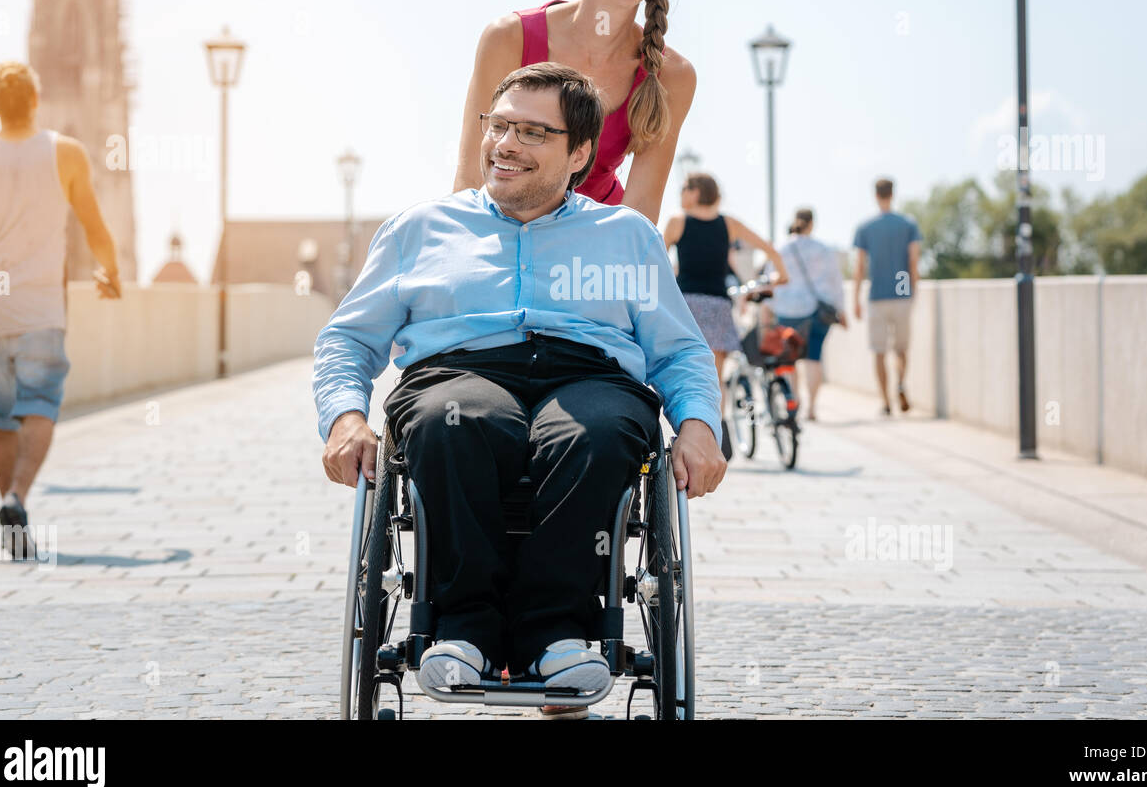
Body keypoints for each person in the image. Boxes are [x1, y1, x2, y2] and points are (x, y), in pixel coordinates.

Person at [314, 63, 724, 710]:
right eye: (499, 125)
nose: (505, 143)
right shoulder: (419, 230)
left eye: (533, 131)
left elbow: (679, 351)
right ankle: (464, 628)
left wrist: (699, 426)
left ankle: (557, 632)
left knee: (595, 430)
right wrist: (345, 417)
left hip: (590, 375)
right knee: (458, 418)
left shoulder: (625, 237)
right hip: (459, 371)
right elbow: (348, 338)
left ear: (580, 152)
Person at [0, 62, 122, 558]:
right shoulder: (65, 152)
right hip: (42, 307)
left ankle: (12, 520)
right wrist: (110, 273)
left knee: (0, 412)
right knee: (41, 403)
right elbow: (94, 225)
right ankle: (16, 496)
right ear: (35, 100)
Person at [452, 0, 696, 226]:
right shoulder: (508, 38)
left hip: (593, 245)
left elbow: (639, 211)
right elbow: (470, 181)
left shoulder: (673, 75)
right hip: (504, 232)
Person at [663, 171, 788, 455]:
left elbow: (654, 260)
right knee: (715, 379)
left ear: (695, 192)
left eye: (683, 188)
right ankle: (716, 432)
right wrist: (782, 274)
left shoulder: (677, 222)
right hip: (719, 306)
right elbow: (770, 249)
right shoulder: (728, 224)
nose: (680, 194)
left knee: (685, 372)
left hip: (687, 307)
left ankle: (688, 432)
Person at [768, 208, 847, 422]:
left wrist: (769, 307)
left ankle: (794, 399)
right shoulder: (822, 249)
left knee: (791, 359)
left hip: (786, 311)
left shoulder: (782, 249)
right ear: (812, 224)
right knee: (814, 357)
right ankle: (812, 408)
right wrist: (842, 310)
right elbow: (835, 283)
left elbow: (770, 280)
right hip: (816, 312)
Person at [852, 178, 921, 416]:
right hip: (902, 293)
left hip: (877, 295)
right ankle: (900, 382)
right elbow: (913, 261)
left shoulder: (866, 227)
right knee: (901, 349)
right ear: (893, 194)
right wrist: (913, 291)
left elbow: (859, 266)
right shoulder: (908, 224)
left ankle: (885, 401)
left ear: (876, 195)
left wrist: (855, 299)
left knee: (879, 351)